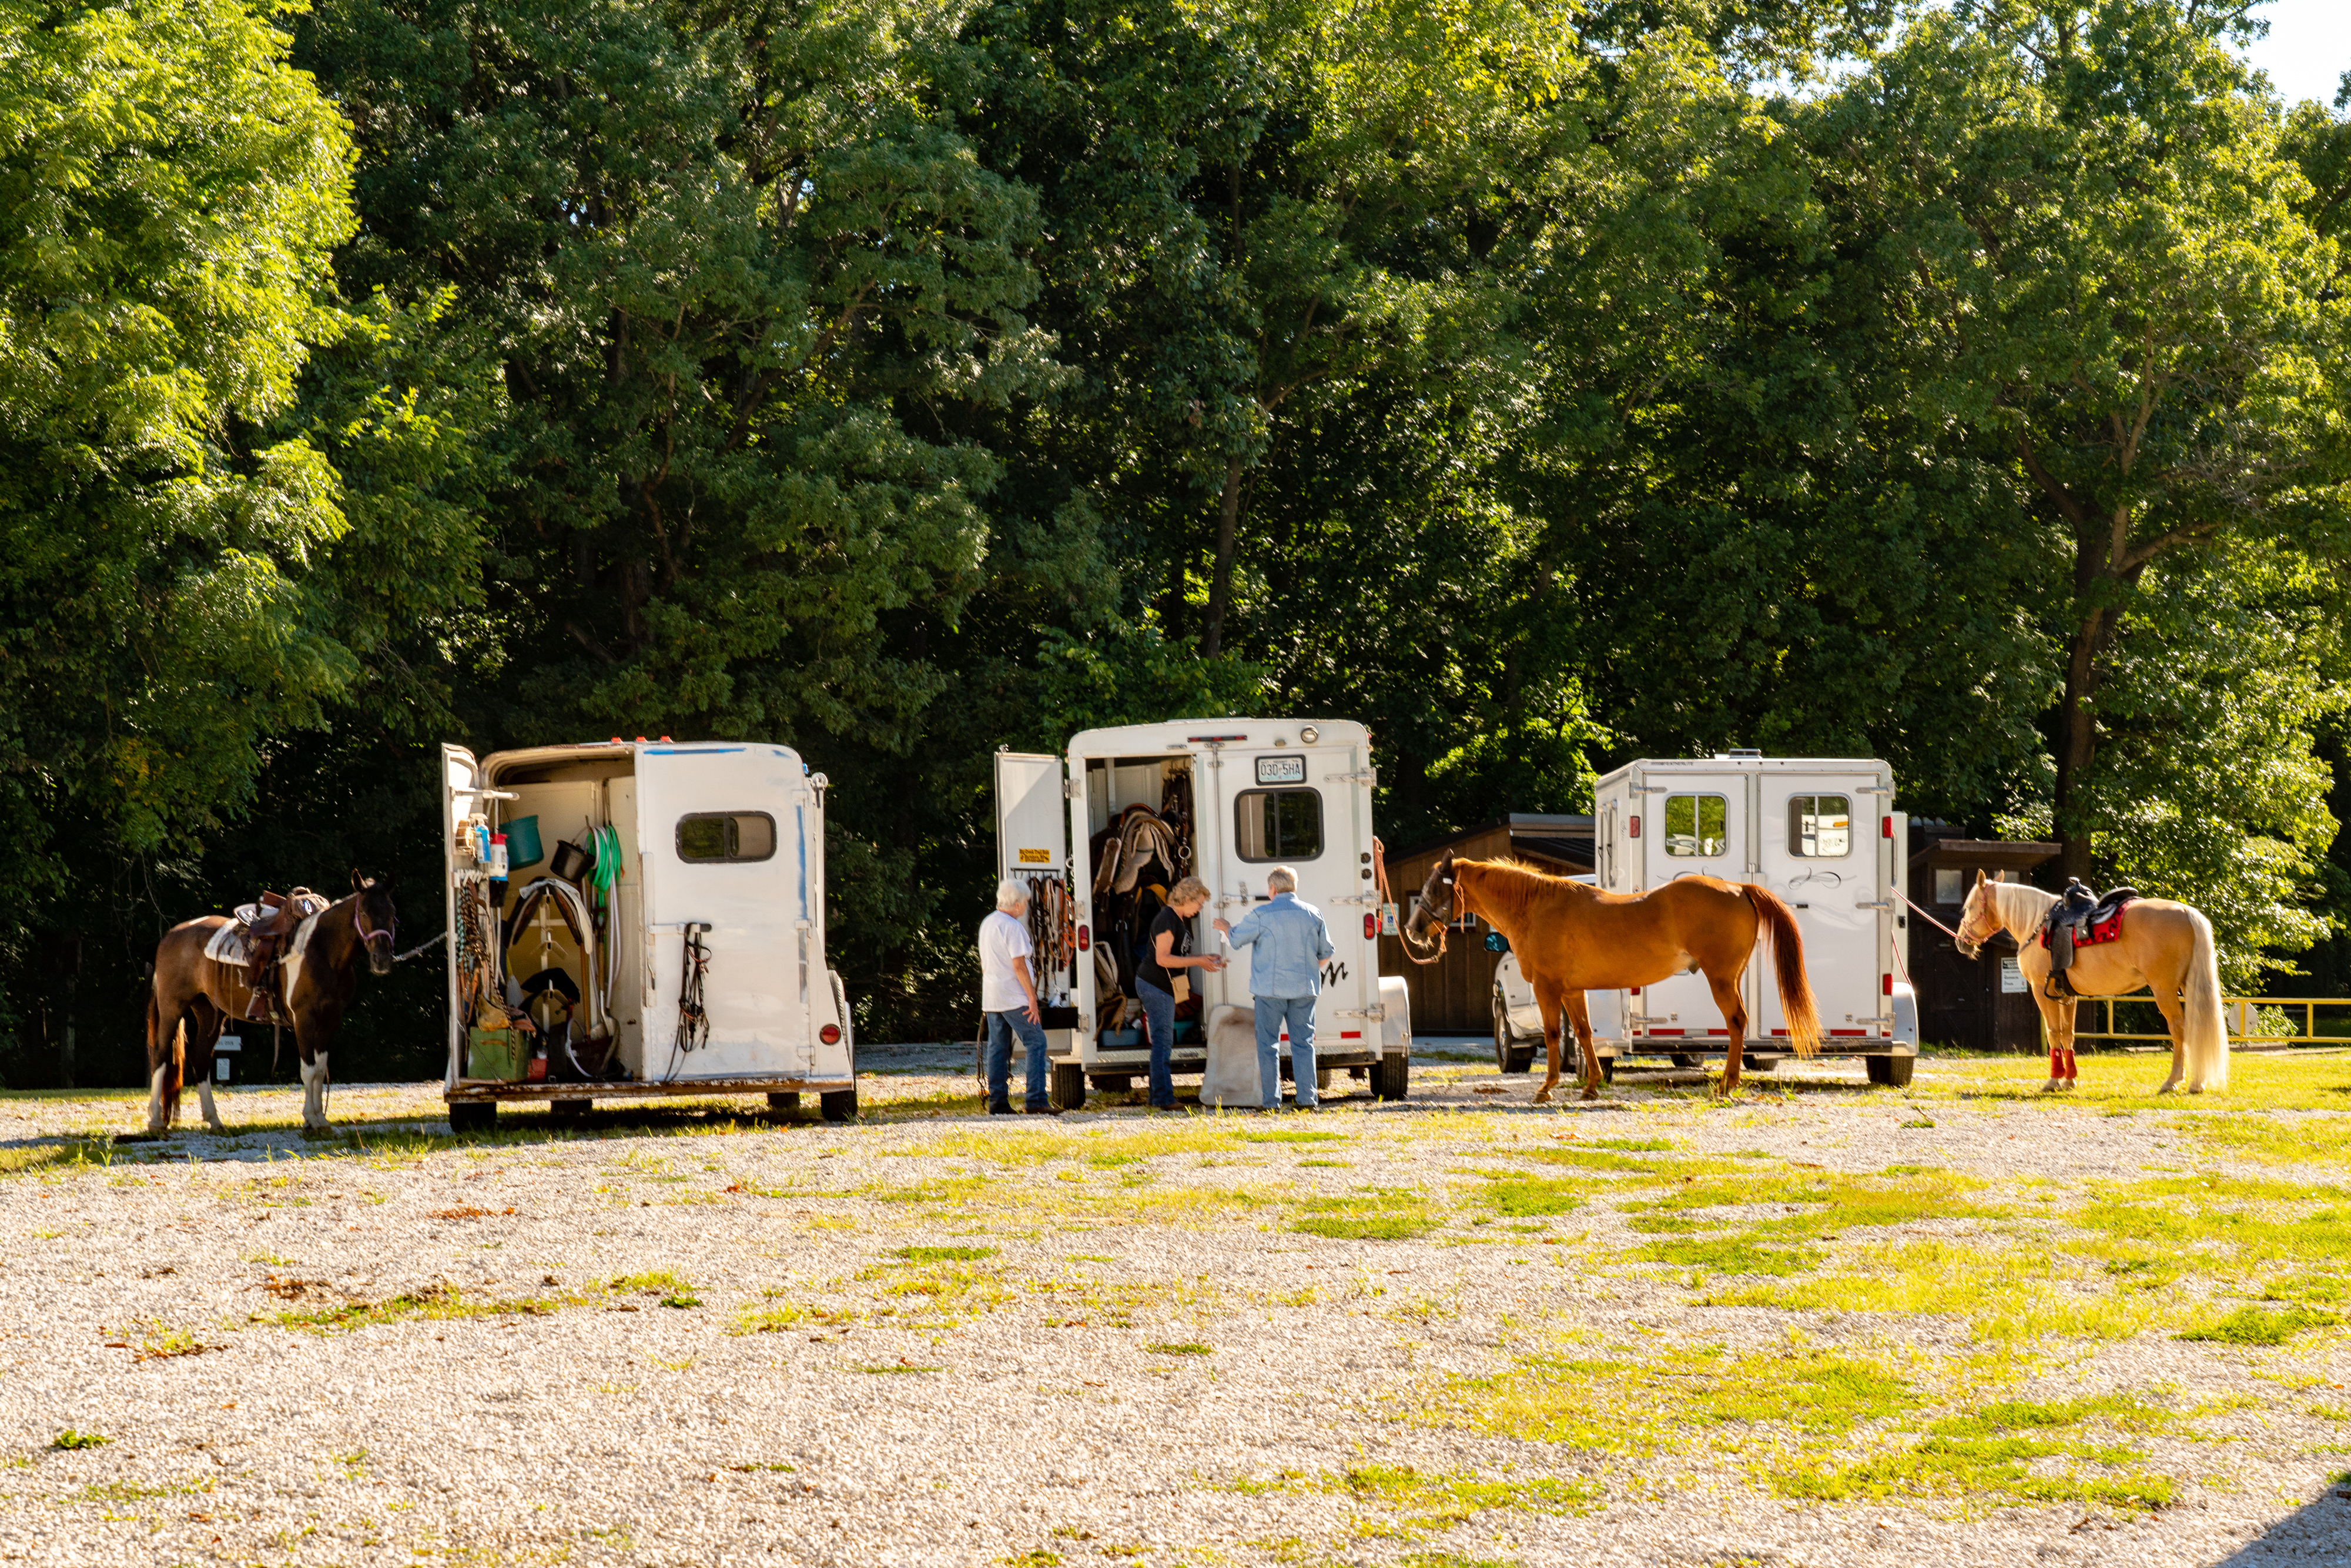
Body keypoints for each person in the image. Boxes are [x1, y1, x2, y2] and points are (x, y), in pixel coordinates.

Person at [1213, 866, 1335, 1111]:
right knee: (1304, 1044)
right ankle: (1307, 1101)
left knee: (1269, 1046)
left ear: (1272, 888)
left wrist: (1226, 926)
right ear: (1294, 887)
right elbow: (1326, 953)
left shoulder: (1261, 915)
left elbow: (1236, 940)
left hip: (1270, 992)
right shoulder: (1313, 914)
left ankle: (1271, 1102)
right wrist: (1309, 971)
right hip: (1305, 990)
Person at [1137, 876, 1223, 1112]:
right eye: (1199, 903)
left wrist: (1206, 958)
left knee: (1162, 1042)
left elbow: (1178, 956)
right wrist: (1199, 961)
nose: (1201, 907)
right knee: (1163, 1043)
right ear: (1186, 899)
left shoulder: (1178, 919)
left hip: (1161, 986)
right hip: (1155, 985)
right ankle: (1164, 1099)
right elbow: (1162, 958)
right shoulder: (1167, 919)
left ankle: (1157, 1097)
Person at [980, 879, 1059, 1116]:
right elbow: (1019, 966)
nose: (1025, 906)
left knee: (998, 1048)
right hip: (1014, 996)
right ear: (1016, 904)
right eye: (1024, 902)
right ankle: (1036, 1100)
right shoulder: (1013, 927)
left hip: (992, 996)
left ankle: (998, 1102)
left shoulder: (988, 923)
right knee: (1037, 1042)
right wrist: (1032, 998)